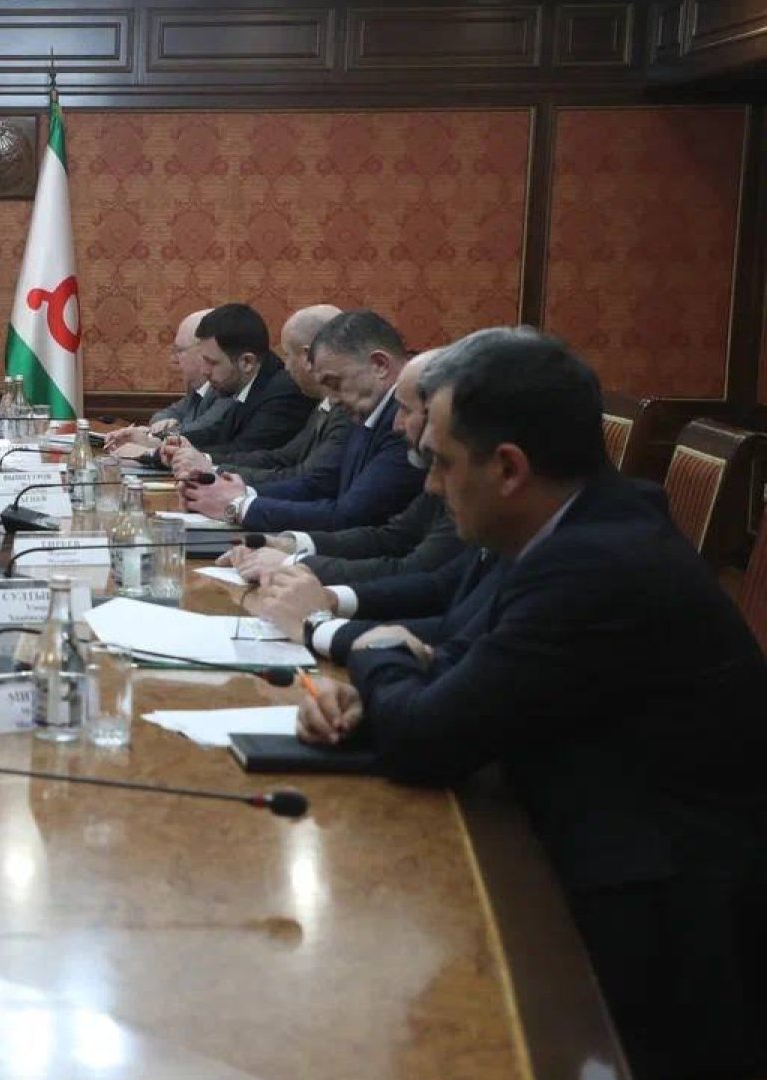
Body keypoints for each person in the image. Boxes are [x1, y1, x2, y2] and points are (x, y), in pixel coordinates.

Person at [292, 329, 767, 1080]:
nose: (431, 487)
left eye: (442, 463)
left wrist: (378, 653)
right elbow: (461, 656)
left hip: (655, 921)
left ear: (509, 468)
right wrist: (386, 684)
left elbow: (428, 739)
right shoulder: (579, 522)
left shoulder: (593, 562)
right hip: (583, 835)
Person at [222, 349, 465, 586]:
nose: (397, 424)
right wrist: (291, 544)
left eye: (406, 409)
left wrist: (292, 563)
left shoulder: (393, 433)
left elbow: (416, 571)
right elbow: (394, 536)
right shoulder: (362, 414)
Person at [181, 309, 422, 531]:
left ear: (380, 365)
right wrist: (242, 493)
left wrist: (240, 505)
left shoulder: (401, 425)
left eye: (335, 383)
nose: (333, 399)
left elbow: (348, 513)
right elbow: (316, 482)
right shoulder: (366, 410)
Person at [164, 304, 350, 485]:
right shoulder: (324, 405)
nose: (286, 366)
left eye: (288, 355)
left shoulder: (289, 394)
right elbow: (282, 457)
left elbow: (306, 479)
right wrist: (190, 454)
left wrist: (210, 468)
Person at [149, 302, 312, 455]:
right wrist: (159, 444)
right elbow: (215, 434)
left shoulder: (283, 394)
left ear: (247, 362)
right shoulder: (242, 385)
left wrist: (168, 453)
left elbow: (244, 451)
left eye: (212, 363)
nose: (204, 371)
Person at [102, 309, 229, 453]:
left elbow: (202, 431)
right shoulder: (198, 390)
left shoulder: (225, 389)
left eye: (179, 351)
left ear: (203, 352)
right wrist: (158, 430)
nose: (174, 360)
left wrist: (151, 436)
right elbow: (163, 415)